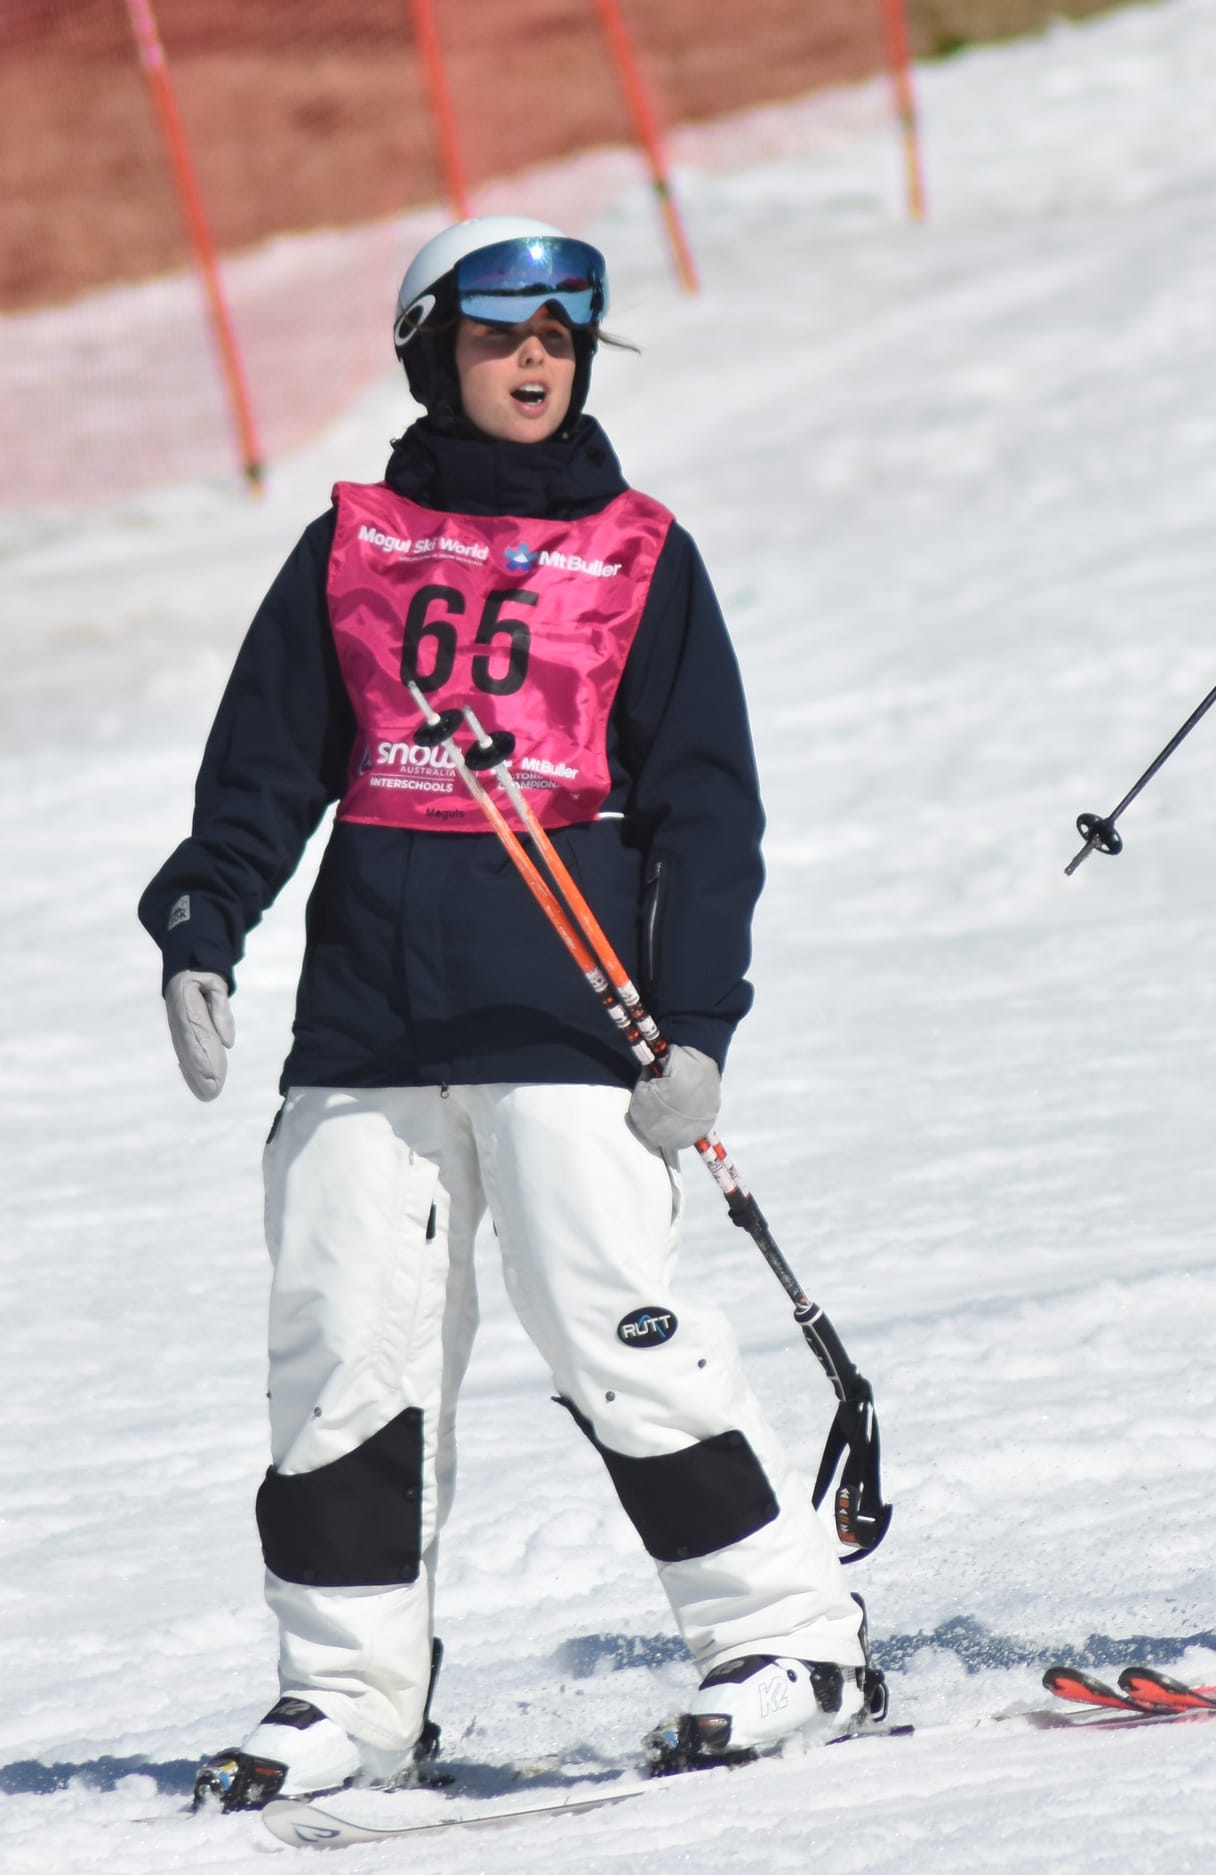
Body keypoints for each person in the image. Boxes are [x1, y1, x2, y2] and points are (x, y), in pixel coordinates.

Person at [139, 216, 881, 1810]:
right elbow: (265, 768)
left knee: (620, 1335)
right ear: (433, 351)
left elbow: (707, 816)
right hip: (365, 1029)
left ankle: (790, 1643)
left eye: (561, 337)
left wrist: (698, 1025)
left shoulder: (637, 553)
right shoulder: (352, 542)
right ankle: (347, 1696)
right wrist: (202, 922)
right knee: (344, 1354)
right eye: (499, 337)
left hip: (569, 1021)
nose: (535, 362)